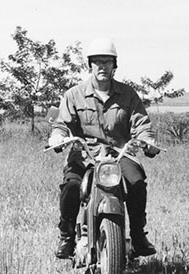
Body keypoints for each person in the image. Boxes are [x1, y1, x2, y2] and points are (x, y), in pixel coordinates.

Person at [48, 37, 160, 259]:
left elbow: (141, 125)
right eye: (97, 61)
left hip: (120, 154)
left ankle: (138, 235)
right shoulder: (74, 94)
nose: (102, 66)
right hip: (85, 154)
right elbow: (62, 123)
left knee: (137, 183)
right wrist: (58, 136)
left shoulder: (128, 95)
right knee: (71, 187)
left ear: (114, 65)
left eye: (107, 62)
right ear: (90, 64)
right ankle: (67, 237)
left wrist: (148, 141)